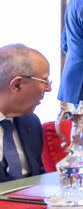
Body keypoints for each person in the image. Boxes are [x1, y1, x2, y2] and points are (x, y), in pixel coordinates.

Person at [0, 44, 50, 181]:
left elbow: (38, 177)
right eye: (44, 81)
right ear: (17, 85)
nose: (49, 88)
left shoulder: (31, 122)